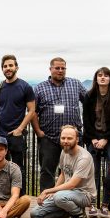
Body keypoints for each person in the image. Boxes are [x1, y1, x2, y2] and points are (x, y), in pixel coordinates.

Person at [32, 57, 87, 191]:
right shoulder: (40, 87)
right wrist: (38, 132)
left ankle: (70, 201)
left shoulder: (75, 84)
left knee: (74, 171)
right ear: (50, 69)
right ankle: (47, 202)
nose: (60, 71)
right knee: (47, 171)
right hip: (49, 138)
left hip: (73, 138)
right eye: (57, 68)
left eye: (63, 68)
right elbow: (33, 112)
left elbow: (89, 102)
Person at [30, 125, 96, 218]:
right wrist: (55, 190)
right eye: (63, 138)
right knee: (35, 214)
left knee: (59, 197)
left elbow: (72, 185)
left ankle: (78, 214)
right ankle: (72, 211)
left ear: (77, 139)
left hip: (84, 194)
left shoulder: (84, 158)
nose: (65, 141)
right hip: (66, 194)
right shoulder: (64, 151)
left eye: (69, 138)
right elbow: (63, 174)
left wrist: (49, 191)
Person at [0, 54, 35, 195]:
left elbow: (32, 110)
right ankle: (2, 195)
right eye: (5, 66)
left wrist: (20, 129)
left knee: (19, 168)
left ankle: (20, 197)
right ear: (2, 69)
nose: (8, 68)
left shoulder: (25, 86)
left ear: (16, 67)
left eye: (10, 65)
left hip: (16, 134)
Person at [83, 67, 110, 217]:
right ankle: (92, 204)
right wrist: (94, 138)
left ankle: (105, 204)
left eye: (106, 76)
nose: (103, 78)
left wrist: (105, 139)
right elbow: (86, 120)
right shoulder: (89, 96)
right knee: (92, 171)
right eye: (100, 75)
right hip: (93, 136)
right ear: (96, 79)